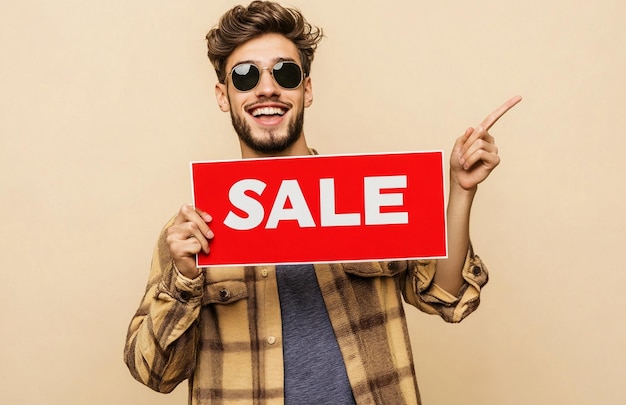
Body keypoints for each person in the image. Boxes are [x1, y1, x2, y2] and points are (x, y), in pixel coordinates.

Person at [124, 1, 521, 404]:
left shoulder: (368, 195)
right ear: (223, 95)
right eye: (244, 76)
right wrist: (183, 280)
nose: (266, 88)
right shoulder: (192, 233)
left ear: (306, 89)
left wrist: (460, 190)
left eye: (285, 72)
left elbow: (446, 295)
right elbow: (155, 373)